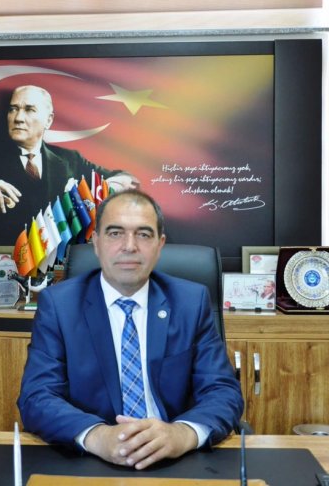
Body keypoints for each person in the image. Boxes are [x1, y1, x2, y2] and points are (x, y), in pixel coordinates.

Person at [17, 190, 244, 470]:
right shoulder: (59, 305)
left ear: (160, 245)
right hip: (89, 459)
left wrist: (182, 433)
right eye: (115, 233)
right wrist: (97, 436)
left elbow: (222, 391)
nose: (129, 246)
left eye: (144, 234)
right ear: (96, 243)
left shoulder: (190, 302)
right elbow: (37, 396)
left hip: (175, 458)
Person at [0, 85, 138, 244]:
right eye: (13, 109)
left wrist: (111, 186)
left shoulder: (70, 159)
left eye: (29, 110)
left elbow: (124, 177)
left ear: (48, 120)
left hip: (60, 262)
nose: (18, 118)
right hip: (8, 260)